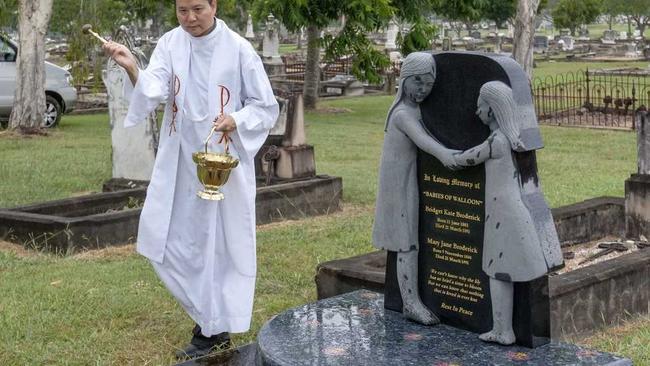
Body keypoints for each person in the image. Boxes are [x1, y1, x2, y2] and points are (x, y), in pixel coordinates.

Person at [102, 0, 279, 359]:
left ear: (213, 5)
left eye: (197, 8)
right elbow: (155, 90)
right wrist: (133, 66)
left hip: (224, 165)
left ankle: (212, 330)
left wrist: (237, 120)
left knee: (220, 247)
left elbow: (265, 107)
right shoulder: (170, 43)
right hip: (181, 162)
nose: (190, 18)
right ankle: (207, 318)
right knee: (169, 237)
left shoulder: (240, 51)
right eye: (182, 10)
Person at [452, 81, 548, 345]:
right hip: (508, 210)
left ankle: (503, 330)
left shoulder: (497, 141)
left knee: (497, 271)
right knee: (502, 271)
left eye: (479, 106)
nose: (476, 112)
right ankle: (503, 328)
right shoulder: (511, 139)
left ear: (492, 110)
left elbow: (469, 158)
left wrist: (450, 157)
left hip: (502, 214)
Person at [372, 52, 458, 325]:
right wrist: (447, 155)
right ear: (405, 79)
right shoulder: (401, 114)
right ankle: (410, 302)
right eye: (418, 82)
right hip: (398, 184)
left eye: (428, 85)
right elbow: (424, 141)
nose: (423, 89)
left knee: (411, 240)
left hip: (409, 179)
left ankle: (412, 300)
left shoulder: (415, 109)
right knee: (406, 242)